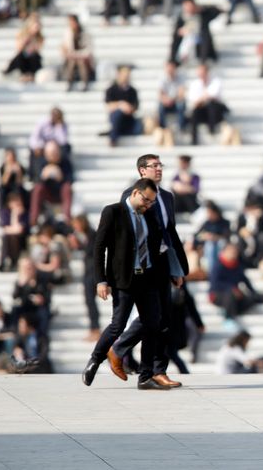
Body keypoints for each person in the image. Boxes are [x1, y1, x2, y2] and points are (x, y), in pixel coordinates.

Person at [82, 178, 167, 390]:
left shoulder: (149, 216)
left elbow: (155, 246)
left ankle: (145, 376)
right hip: (123, 279)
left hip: (147, 277)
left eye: (152, 202)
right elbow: (99, 247)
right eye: (146, 200)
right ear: (136, 193)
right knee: (117, 324)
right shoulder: (113, 212)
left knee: (152, 324)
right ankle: (96, 359)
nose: (148, 205)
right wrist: (101, 280)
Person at [111, 155, 189, 387]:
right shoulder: (131, 195)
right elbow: (129, 233)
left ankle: (155, 372)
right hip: (144, 265)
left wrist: (177, 268)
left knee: (164, 318)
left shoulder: (166, 196)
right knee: (150, 317)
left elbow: (170, 232)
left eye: (160, 165)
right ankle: (121, 349)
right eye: (153, 166)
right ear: (141, 170)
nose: (158, 169)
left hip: (163, 262)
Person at [209, 243, 263, 327]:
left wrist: (253, 293)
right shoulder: (217, 266)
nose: (233, 254)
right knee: (229, 295)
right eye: (231, 252)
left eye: (235, 252)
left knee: (250, 299)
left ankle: (231, 310)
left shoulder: (238, 266)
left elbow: (245, 281)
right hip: (218, 294)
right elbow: (215, 284)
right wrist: (232, 289)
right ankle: (228, 318)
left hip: (235, 295)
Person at [67, 214, 99, 341]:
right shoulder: (85, 235)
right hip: (88, 270)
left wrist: (79, 243)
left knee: (91, 301)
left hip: (94, 272)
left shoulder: (92, 234)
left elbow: (91, 250)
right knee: (89, 301)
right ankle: (94, 328)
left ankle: (95, 329)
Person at [29, 141, 73, 226]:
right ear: (46, 153)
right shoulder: (40, 163)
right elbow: (33, 178)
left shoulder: (65, 162)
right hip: (46, 193)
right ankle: (33, 219)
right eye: (50, 153)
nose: (53, 155)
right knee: (38, 188)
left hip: (60, 193)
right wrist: (43, 176)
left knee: (67, 188)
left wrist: (61, 177)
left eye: (54, 152)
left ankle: (67, 218)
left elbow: (70, 180)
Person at [171, 0, 221, 65]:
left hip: (200, 50)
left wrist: (202, 9)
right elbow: (175, 39)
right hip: (185, 51)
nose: (188, 9)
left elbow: (217, 11)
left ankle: (202, 61)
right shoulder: (181, 19)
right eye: (186, 7)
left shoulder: (203, 16)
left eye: (190, 7)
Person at [186, 63, 229, 144]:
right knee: (194, 112)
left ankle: (212, 129)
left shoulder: (215, 81)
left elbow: (213, 95)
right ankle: (194, 139)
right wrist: (204, 98)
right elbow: (194, 100)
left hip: (215, 112)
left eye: (203, 72)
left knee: (211, 105)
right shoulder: (195, 84)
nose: (201, 74)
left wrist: (202, 99)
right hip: (202, 110)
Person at [12, 257, 52, 337]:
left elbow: (48, 298)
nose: (28, 270)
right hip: (25, 308)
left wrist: (41, 299)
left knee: (43, 313)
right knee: (15, 310)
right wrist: (22, 285)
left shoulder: (42, 280)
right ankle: (17, 336)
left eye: (30, 267)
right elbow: (15, 297)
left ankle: (42, 337)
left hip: (38, 309)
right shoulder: (20, 283)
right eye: (26, 268)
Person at [29, 107, 70, 181]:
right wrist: (41, 146)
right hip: (43, 147)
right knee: (34, 151)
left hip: (56, 149)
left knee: (66, 149)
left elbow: (63, 140)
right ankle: (35, 175)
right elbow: (35, 137)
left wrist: (59, 126)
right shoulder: (42, 122)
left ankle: (65, 174)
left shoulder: (63, 125)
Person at [104, 65, 141, 147]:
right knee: (118, 114)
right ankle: (113, 139)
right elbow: (109, 106)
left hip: (128, 118)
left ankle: (115, 132)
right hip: (116, 117)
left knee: (138, 127)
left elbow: (135, 107)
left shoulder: (132, 90)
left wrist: (128, 108)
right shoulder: (111, 89)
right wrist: (121, 105)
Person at [3, 14, 44, 82]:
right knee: (20, 57)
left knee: (35, 57)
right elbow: (19, 48)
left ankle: (31, 75)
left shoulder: (40, 37)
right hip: (24, 57)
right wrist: (26, 40)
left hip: (33, 58)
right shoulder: (23, 34)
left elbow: (37, 49)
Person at [61, 14, 94, 92]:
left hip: (83, 59)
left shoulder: (84, 34)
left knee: (80, 61)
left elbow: (88, 50)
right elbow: (65, 49)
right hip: (71, 60)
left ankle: (85, 82)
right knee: (73, 61)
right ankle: (69, 81)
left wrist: (76, 55)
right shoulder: (67, 34)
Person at [0, 192, 29, 273]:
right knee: (7, 237)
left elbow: (19, 230)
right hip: (10, 239)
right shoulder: (5, 212)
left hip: (22, 239)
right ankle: (6, 261)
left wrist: (15, 215)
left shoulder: (25, 214)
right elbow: (5, 229)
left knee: (12, 237)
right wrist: (14, 214)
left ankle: (12, 261)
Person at [157, 60, 186, 131]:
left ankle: (181, 126)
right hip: (166, 102)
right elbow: (160, 94)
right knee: (160, 106)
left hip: (176, 102)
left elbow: (181, 93)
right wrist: (166, 100)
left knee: (181, 105)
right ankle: (162, 127)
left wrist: (172, 99)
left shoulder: (180, 78)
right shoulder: (162, 78)